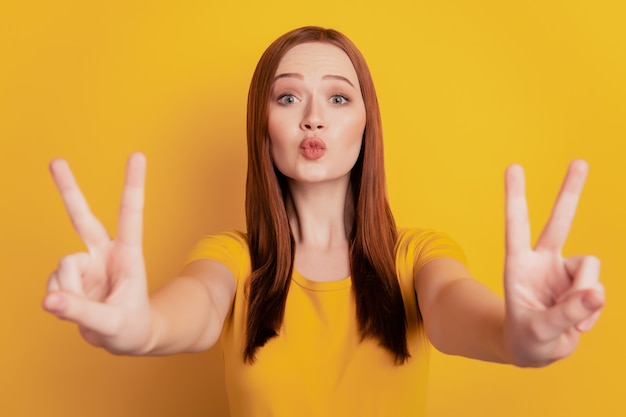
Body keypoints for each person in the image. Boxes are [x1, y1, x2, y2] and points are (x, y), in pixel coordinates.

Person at [43, 26, 604, 416]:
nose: (313, 118)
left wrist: (522, 336)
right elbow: (189, 310)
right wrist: (135, 327)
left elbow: (462, 314)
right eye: (288, 98)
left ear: (367, 124)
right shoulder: (231, 260)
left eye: (338, 99)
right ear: (262, 124)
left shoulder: (420, 256)